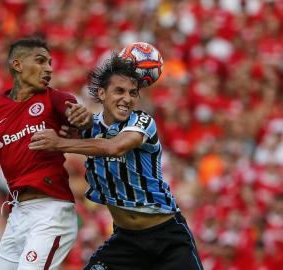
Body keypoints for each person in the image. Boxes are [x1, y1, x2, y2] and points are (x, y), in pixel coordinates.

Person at [29, 55, 204, 270]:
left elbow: (113, 147)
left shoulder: (142, 122)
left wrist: (59, 142)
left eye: (133, 93)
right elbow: (64, 116)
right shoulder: (88, 126)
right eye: (119, 91)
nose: (127, 99)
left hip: (167, 236)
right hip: (126, 240)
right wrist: (70, 123)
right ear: (101, 93)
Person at [0, 37, 92, 270]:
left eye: (50, 62)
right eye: (41, 61)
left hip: (52, 210)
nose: (49, 68)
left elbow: (83, 121)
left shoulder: (55, 99)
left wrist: (83, 119)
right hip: (17, 215)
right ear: (17, 65)